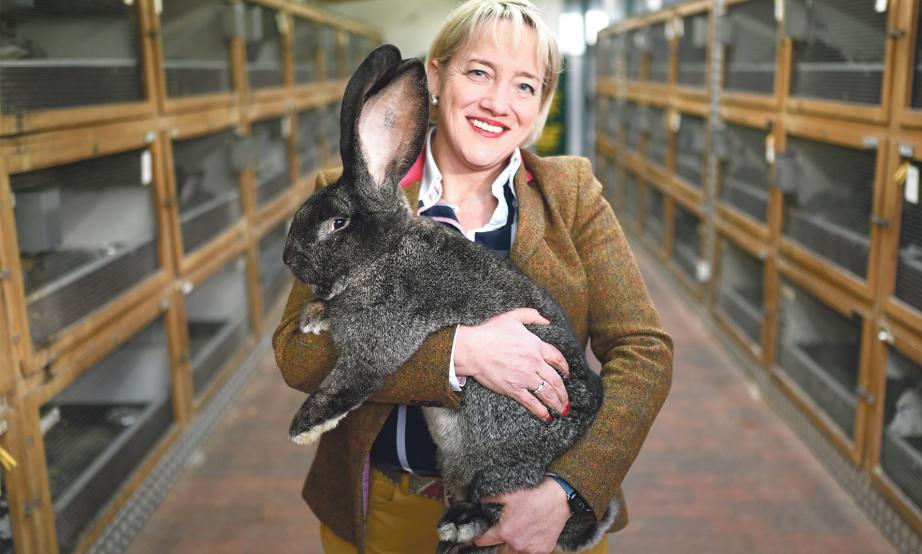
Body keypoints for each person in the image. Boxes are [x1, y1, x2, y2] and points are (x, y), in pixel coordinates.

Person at [273, 1, 673, 553]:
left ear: (541, 106)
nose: (497, 103)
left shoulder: (571, 194)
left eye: (525, 86)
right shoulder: (355, 202)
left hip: (536, 512)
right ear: (436, 77)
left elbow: (643, 350)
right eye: (479, 72)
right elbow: (297, 354)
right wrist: (459, 354)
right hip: (386, 507)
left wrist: (568, 492)